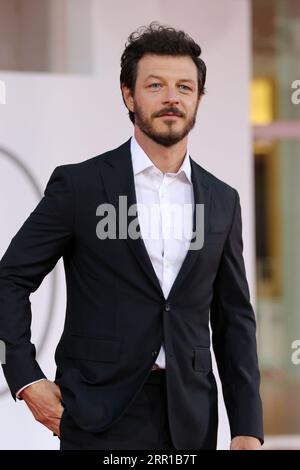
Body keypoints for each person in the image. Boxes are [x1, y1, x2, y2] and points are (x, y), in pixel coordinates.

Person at [0, 22, 263, 450]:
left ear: (197, 99)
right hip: (96, 415)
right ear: (129, 95)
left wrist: (247, 427)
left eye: (184, 86)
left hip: (190, 418)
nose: (172, 98)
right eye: (155, 85)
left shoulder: (222, 200)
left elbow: (234, 319)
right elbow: (9, 279)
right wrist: (26, 377)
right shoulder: (81, 186)